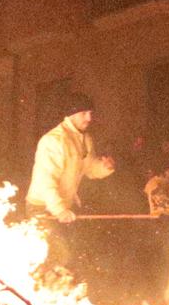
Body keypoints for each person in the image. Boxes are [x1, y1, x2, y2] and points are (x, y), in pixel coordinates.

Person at [25, 93, 116, 239]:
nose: (89, 118)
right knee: (49, 254)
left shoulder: (85, 139)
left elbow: (90, 168)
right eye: (84, 113)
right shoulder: (54, 140)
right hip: (42, 207)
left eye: (90, 113)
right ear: (71, 114)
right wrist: (59, 209)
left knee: (65, 253)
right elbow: (46, 180)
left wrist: (105, 167)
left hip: (64, 206)